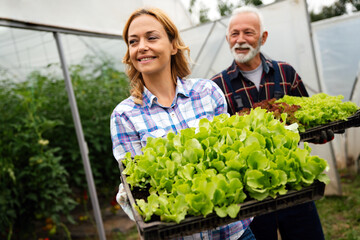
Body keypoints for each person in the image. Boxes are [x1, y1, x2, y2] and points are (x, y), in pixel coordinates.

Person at [110, 8, 255, 240]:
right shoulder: (124, 116)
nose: (142, 46)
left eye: (152, 37)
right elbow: (139, 188)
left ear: (173, 45)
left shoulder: (207, 92)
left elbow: (233, 162)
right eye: (133, 41)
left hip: (234, 232)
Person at [211, 6, 332, 240]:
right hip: (249, 194)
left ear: (263, 37)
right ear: (228, 39)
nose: (240, 40)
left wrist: (324, 130)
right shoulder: (216, 86)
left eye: (248, 32)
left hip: (294, 185)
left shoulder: (286, 73)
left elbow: (310, 120)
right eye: (234, 34)